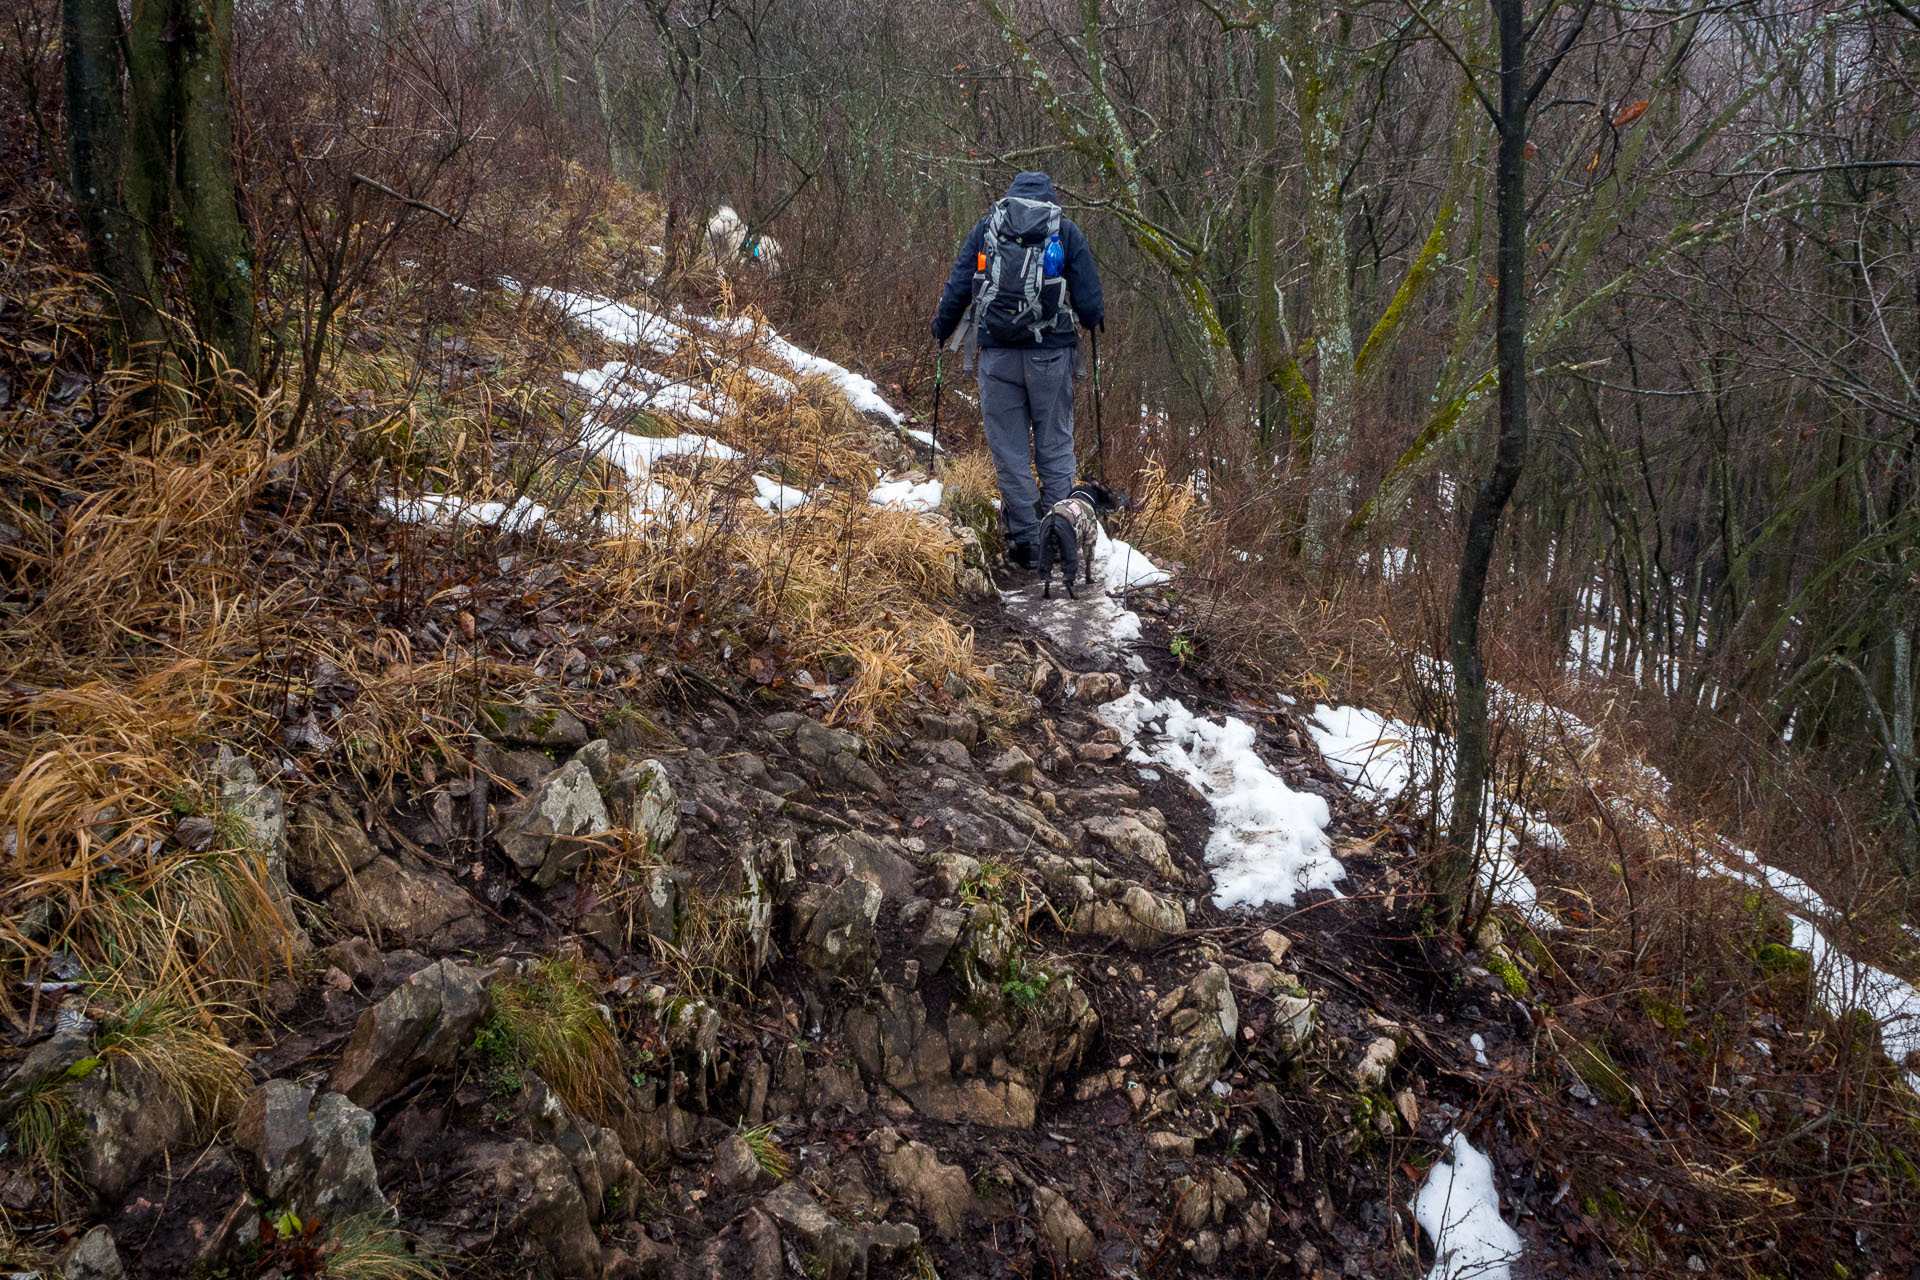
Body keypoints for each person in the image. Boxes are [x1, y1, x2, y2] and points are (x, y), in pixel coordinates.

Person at [931, 172, 1103, 569]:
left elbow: (960, 281)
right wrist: (1093, 320)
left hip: (997, 354)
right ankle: (1060, 536)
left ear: (1011, 196)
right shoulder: (1064, 229)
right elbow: (1090, 298)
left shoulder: (988, 226)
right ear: (1049, 197)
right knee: (1055, 447)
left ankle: (1027, 541)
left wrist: (943, 326)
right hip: (1050, 353)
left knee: (1009, 451)